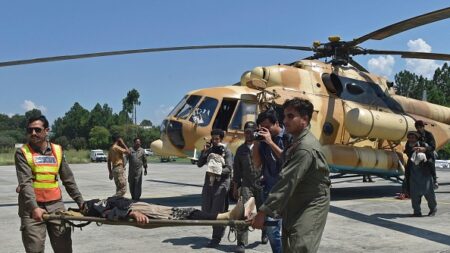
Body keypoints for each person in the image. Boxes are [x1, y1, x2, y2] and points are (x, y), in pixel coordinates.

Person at [251, 98, 331, 253]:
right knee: (288, 243)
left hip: (310, 203)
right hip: (296, 201)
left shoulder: (304, 147)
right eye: (285, 116)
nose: (285, 121)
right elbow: (280, 161)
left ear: (305, 119)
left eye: (290, 116)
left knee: (298, 246)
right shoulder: (295, 142)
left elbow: (287, 180)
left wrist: (263, 212)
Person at [15, 115, 84, 253]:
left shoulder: (57, 151)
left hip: (56, 206)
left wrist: (81, 202)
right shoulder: (22, 152)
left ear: (47, 130)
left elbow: (68, 179)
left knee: (64, 248)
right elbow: (26, 183)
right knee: (35, 249)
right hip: (31, 208)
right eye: (30, 130)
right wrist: (34, 208)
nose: (33, 133)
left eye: (37, 129)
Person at [252, 109, 290, 253]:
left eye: (267, 127)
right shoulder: (262, 141)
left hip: (287, 191)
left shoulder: (288, 137)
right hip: (270, 190)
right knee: (272, 229)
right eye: (262, 128)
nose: (264, 130)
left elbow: (288, 160)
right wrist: (257, 142)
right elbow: (256, 163)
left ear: (276, 123)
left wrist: (270, 142)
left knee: (288, 230)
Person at [80, 196, 256, 224]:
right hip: (143, 209)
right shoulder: (96, 207)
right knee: (187, 212)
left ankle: (230, 215)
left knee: (186, 211)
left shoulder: (98, 203)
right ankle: (228, 216)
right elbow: (110, 214)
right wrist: (132, 213)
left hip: (143, 206)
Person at [197, 129, 233, 248]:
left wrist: (216, 171)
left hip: (221, 183)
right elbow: (199, 164)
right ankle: (221, 227)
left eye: (217, 139)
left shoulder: (226, 151)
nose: (215, 141)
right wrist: (204, 151)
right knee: (206, 209)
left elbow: (229, 169)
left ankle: (216, 237)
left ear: (221, 139)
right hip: (209, 184)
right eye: (213, 139)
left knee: (216, 211)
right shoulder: (210, 150)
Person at [232, 121, 264, 253]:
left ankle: (265, 232)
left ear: (255, 132)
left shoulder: (262, 147)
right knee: (245, 213)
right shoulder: (240, 150)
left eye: (251, 132)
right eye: (246, 132)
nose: (249, 134)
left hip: (262, 183)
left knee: (264, 210)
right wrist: (235, 187)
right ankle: (241, 242)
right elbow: (237, 170)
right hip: (246, 184)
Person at [404, 131, 437, 217]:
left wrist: (424, 150)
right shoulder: (408, 144)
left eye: (412, 138)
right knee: (414, 194)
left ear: (417, 138)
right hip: (413, 173)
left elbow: (431, 153)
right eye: (409, 138)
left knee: (429, 194)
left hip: (424, 173)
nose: (411, 139)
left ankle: (433, 209)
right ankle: (417, 211)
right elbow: (407, 153)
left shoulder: (424, 144)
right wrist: (412, 150)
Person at [415, 120, 438, 189]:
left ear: (423, 127)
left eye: (420, 127)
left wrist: (425, 149)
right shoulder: (415, 135)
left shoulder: (429, 134)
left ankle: (434, 180)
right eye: (417, 127)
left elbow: (433, 146)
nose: (419, 129)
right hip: (417, 155)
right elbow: (409, 145)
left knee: (430, 162)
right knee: (409, 166)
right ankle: (408, 184)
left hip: (428, 154)